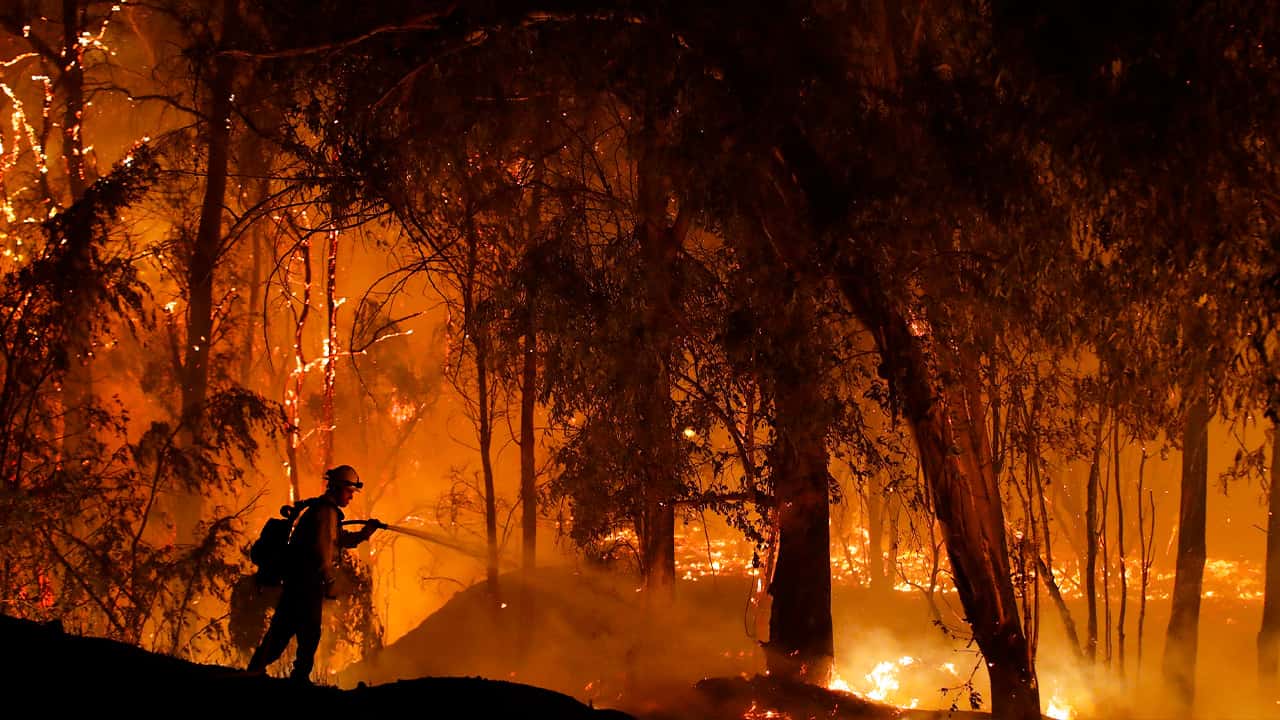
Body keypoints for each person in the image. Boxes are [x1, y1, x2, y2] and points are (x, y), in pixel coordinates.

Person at [246, 465, 383, 682]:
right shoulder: (325, 513)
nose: (351, 497)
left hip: (298, 582)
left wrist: (364, 534)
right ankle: (296, 678)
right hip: (306, 583)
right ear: (338, 488)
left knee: (283, 631)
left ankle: (255, 671)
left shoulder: (323, 512)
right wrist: (329, 582)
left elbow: (336, 540)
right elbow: (322, 552)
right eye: (349, 492)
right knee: (308, 633)